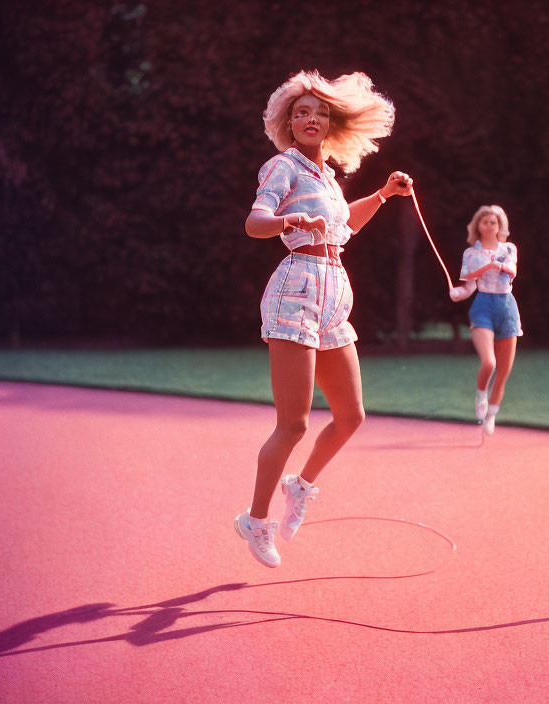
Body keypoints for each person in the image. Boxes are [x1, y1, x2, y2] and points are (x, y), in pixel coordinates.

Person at [234, 70, 412, 567]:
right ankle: (255, 520)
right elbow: (254, 223)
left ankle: (301, 485)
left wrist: (382, 195)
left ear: (331, 125)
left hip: (334, 291)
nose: (312, 119)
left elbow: (344, 225)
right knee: (292, 425)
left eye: (321, 112)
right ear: (288, 124)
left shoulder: (328, 178)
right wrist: (292, 220)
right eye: (302, 112)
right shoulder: (282, 168)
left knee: (351, 416)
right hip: (297, 289)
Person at [449, 205, 521, 435]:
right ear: (477, 226)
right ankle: (481, 394)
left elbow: (511, 271)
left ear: (500, 226)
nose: (490, 226)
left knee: (503, 372)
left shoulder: (509, 249)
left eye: (494, 222)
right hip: (483, 306)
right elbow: (468, 286)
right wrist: (457, 294)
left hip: (507, 307)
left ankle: (491, 416)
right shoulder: (471, 254)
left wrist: (492, 265)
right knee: (489, 362)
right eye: (485, 222)